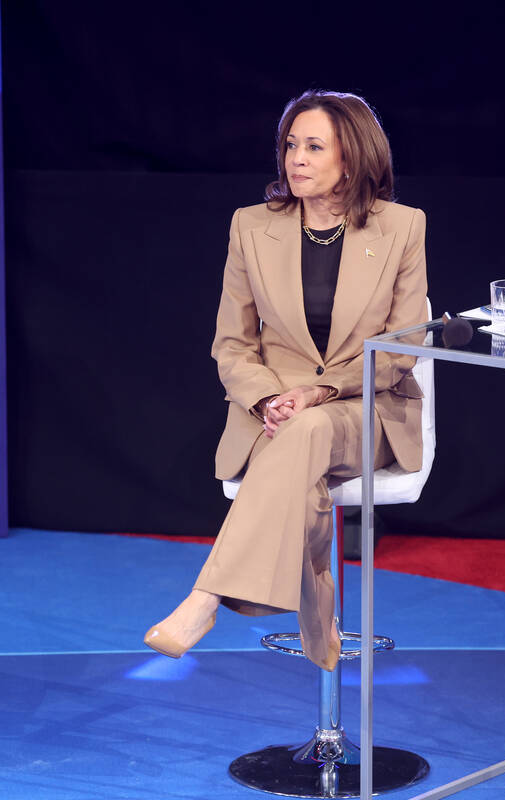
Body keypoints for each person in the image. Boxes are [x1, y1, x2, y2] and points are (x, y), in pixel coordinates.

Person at [143, 90, 428, 671]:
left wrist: (319, 392)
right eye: (291, 145)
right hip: (275, 416)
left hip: (363, 409)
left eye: (314, 146)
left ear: (351, 157)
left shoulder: (402, 227)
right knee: (300, 442)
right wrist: (271, 396)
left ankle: (207, 597)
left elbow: (402, 347)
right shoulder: (251, 227)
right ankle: (315, 615)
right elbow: (233, 343)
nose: (296, 158)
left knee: (310, 427)